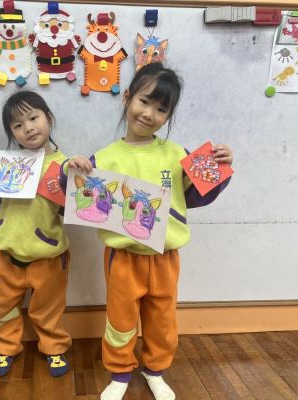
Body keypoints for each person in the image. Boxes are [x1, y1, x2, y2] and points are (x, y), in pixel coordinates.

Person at [67, 62, 233, 400]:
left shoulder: (177, 153)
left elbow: (195, 197)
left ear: (168, 116)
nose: (149, 114)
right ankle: (120, 373)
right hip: (123, 257)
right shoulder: (106, 157)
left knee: (162, 319)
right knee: (120, 318)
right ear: (127, 98)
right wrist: (72, 168)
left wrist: (220, 167)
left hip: (165, 257)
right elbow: (73, 191)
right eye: (144, 101)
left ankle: (155, 370)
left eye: (161, 109)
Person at [0, 91, 90, 378]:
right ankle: (5, 348)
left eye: (34, 118)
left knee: (49, 309)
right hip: (6, 252)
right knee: (1, 307)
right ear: (12, 133)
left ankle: (54, 347)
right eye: (18, 125)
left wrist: (79, 172)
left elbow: (74, 207)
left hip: (48, 256)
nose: (28, 128)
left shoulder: (64, 165)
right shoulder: (8, 163)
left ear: (49, 118)